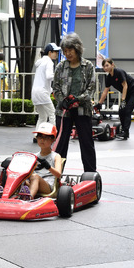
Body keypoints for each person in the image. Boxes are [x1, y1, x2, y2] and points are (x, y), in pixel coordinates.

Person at [52, 32, 97, 172]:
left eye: (70, 50)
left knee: (86, 143)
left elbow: (91, 88)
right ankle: (55, 177)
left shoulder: (88, 66)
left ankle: (90, 176)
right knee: (60, 145)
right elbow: (56, 87)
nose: (67, 53)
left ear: (77, 49)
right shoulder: (60, 66)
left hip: (83, 110)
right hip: (64, 111)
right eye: (65, 51)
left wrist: (78, 99)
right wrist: (62, 100)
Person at [95, 58, 134, 140]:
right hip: (127, 94)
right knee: (121, 111)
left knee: (127, 110)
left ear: (112, 65)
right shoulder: (109, 77)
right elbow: (105, 92)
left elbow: (125, 85)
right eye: (104, 66)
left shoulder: (119, 72)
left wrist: (123, 100)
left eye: (107, 65)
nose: (105, 68)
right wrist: (99, 103)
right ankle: (123, 131)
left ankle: (125, 132)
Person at [24, 122, 64, 198]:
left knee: (35, 176)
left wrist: (48, 166)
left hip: (48, 186)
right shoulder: (34, 156)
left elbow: (58, 174)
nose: (42, 140)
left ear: (53, 140)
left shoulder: (56, 156)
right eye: (40, 137)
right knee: (19, 178)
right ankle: (6, 196)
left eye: (46, 137)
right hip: (32, 182)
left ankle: (29, 198)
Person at [32, 43, 60, 142]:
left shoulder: (40, 63)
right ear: (50, 52)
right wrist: (58, 76)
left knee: (42, 116)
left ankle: (37, 136)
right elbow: (49, 76)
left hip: (35, 92)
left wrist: (51, 90)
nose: (57, 54)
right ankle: (53, 135)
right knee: (52, 113)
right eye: (55, 52)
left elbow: (43, 79)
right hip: (42, 92)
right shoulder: (49, 62)